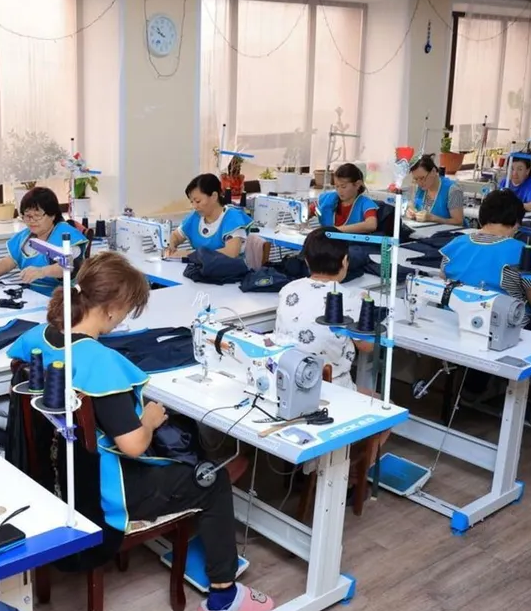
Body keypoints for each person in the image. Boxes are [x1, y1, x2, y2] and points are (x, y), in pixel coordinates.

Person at [7, 252, 274, 611]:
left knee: (185, 455)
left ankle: (201, 545)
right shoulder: (99, 362)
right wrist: (148, 420)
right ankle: (224, 595)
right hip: (104, 493)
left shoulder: (39, 337)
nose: (126, 319)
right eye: (128, 310)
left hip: (59, 481)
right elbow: (134, 446)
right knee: (213, 479)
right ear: (112, 308)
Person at [441, 189, 531, 429]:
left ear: (482, 217)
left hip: (458, 322)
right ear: (516, 222)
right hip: (501, 330)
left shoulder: (456, 244)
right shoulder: (519, 251)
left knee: (484, 318)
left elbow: (445, 279)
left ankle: (471, 390)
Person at [273, 226, 389, 467]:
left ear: (306, 261)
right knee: (386, 410)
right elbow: (366, 347)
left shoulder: (288, 290)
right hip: (328, 391)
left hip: (286, 383)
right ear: (345, 261)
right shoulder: (350, 298)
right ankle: (349, 473)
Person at [0, 186, 88, 287]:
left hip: (59, 294)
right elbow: (9, 261)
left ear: (52, 215)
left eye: (37, 216)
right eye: (28, 216)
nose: (32, 221)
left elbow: (69, 266)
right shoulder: (26, 236)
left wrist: (42, 272)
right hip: (31, 292)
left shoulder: (66, 235)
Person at [165, 173, 252, 258]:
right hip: (200, 267)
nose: (194, 206)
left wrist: (191, 254)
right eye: (192, 202)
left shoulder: (232, 217)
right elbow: (176, 236)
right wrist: (171, 246)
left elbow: (231, 253)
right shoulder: (195, 216)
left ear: (214, 196)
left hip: (230, 267)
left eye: (198, 201)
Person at [316, 163, 380, 234]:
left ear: (357, 185)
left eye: (343, 187)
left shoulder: (365, 203)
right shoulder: (328, 198)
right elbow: (311, 209)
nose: (339, 191)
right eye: (337, 186)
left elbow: (371, 225)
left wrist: (335, 230)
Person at [407, 155, 464, 225]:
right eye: (416, 179)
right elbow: (413, 205)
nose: (419, 183)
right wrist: (411, 211)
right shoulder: (420, 188)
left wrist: (433, 218)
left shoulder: (453, 190)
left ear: (433, 171)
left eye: (422, 178)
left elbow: (458, 222)